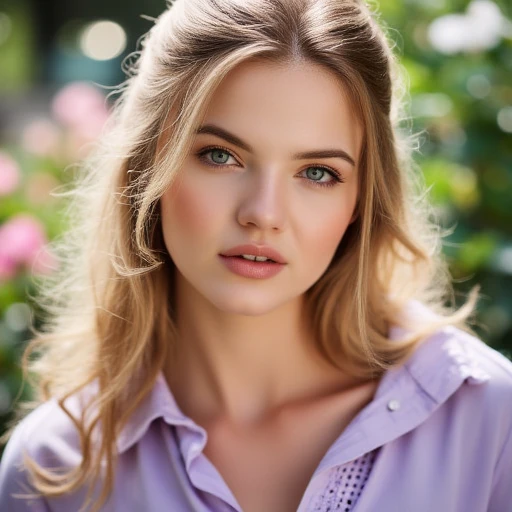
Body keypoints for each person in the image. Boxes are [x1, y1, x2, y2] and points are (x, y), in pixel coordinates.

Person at [1, 0, 511, 511]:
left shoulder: (486, 420)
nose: (264, 214)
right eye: (220, 156)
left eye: (317, 172)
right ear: (147, 167)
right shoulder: (55, 470)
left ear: (361, 199)